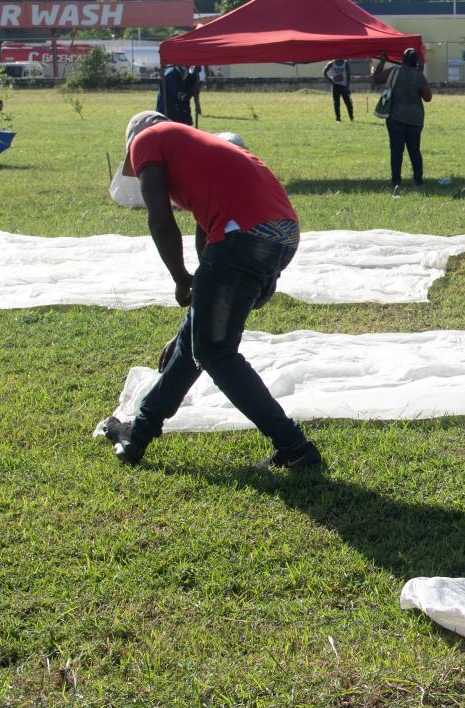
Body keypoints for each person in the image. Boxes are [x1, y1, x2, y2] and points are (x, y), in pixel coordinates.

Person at [102, 113, 321, 472]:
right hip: (279, 235)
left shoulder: (146, 139)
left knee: (214, 352)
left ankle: (294, 446)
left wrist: (179, 278)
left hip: (243, 238)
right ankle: (137, 435)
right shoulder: (203, 153)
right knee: (196, 346)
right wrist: (193, 319)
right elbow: (210, 257)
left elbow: (159, 220)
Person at [382, 47, 432, 193]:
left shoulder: (394, 72)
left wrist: (382, 62)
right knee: (414, 150)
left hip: (395, 117)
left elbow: (376, 78)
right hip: (415, 119)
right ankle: (418, 180)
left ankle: (396, 180)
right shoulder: (419, 76)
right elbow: (428, 98)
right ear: (416, 62)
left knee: (396, 150)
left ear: (402, 59)